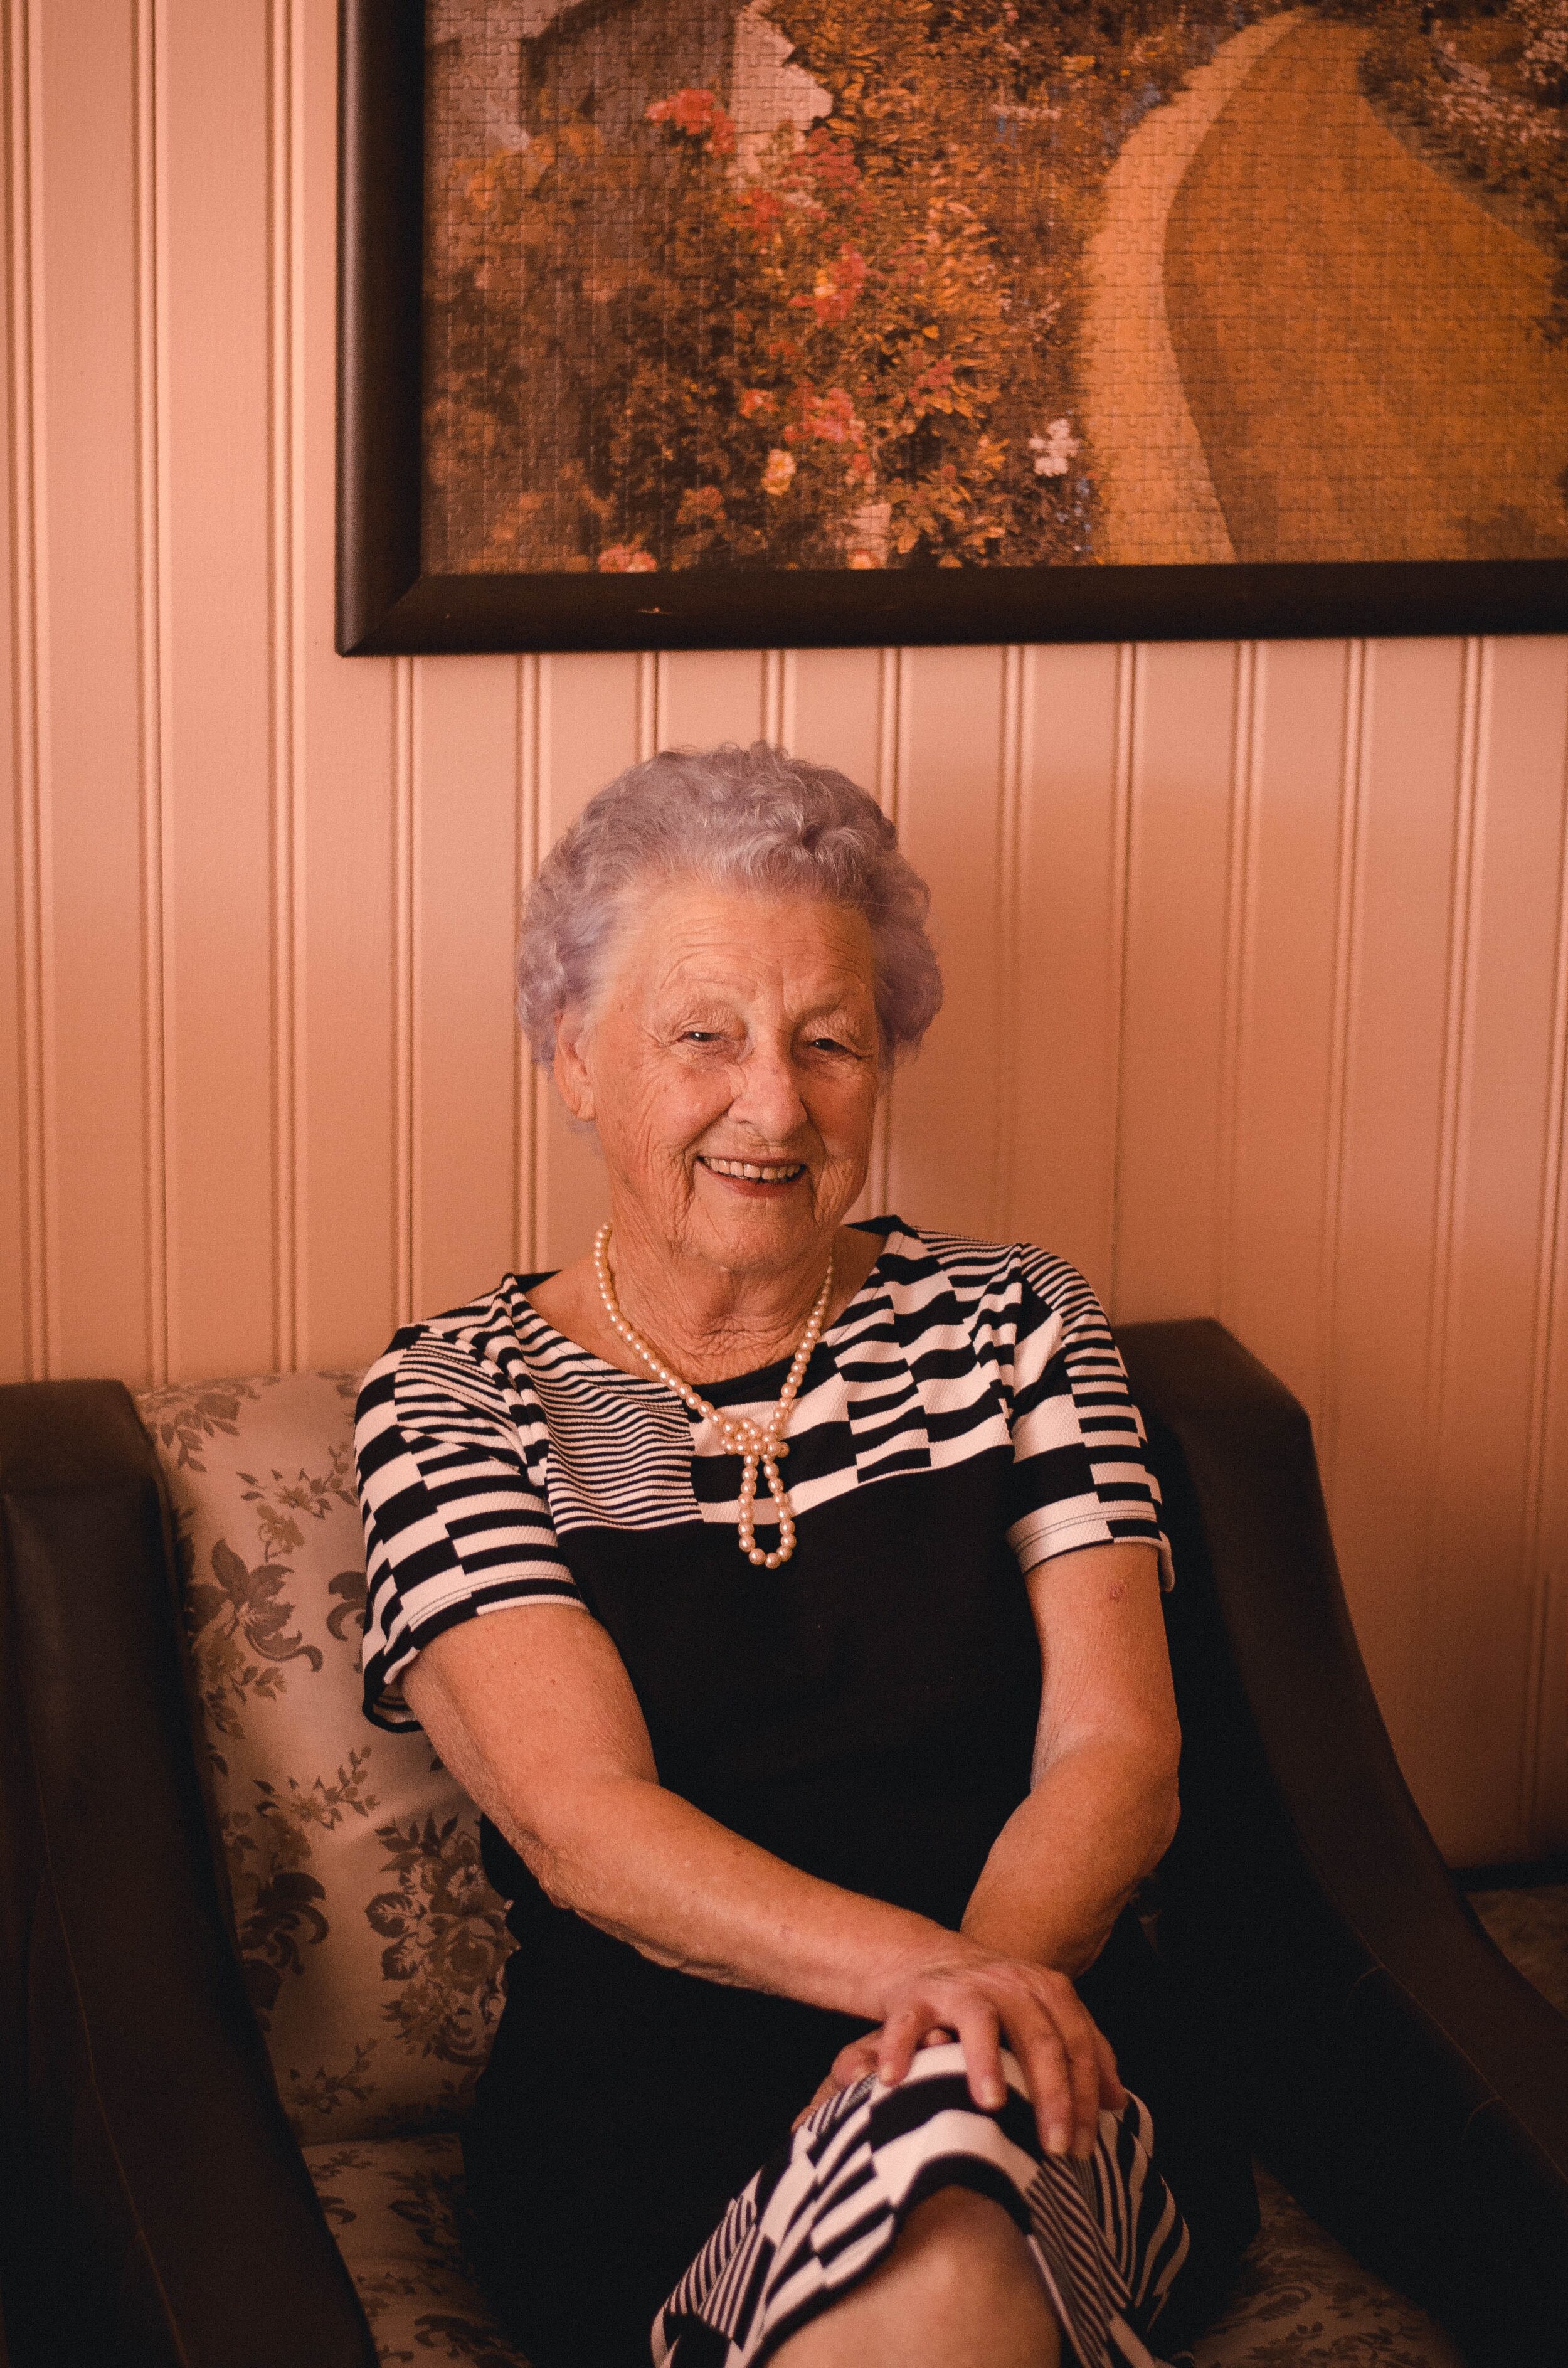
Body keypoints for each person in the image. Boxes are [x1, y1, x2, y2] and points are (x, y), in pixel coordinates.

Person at [354, 743, 1255, 2368]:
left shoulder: (1014, 1325)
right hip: (651, 2098)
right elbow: (586, 1830)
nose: (771, 1103)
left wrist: (963, 2022)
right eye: (701, 1035)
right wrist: (935, 1987)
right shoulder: (455, 1395)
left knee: (959, 2241)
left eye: (828, 1041)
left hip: (1039, 2030)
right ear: (572, 1055)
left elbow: (1117, 1755)